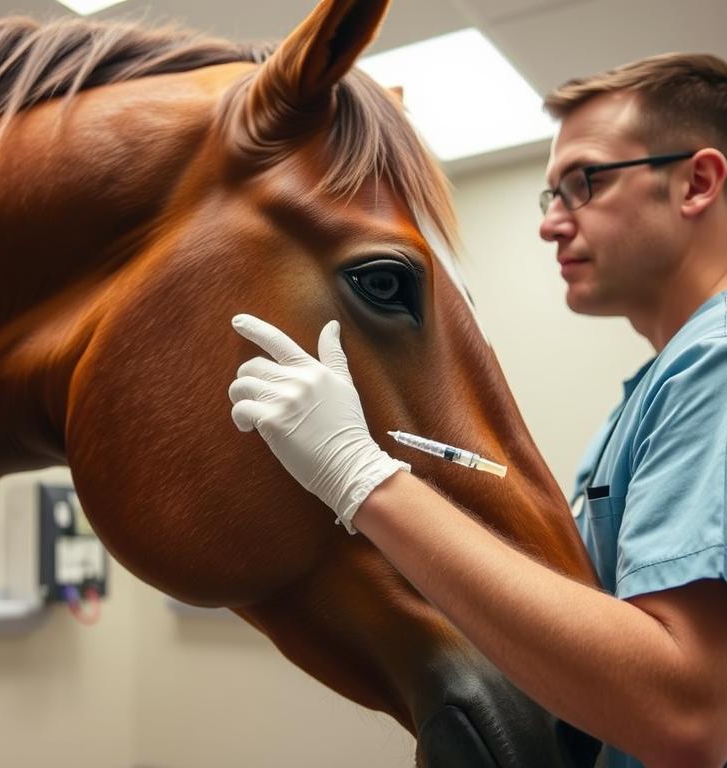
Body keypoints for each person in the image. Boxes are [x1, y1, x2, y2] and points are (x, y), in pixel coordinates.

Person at [228, 53, 727, 768]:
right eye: (550, 194)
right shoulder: (656, 386)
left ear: (697, 183)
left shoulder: (715, 363)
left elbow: (686, 715)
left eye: (584, 183)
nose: (551, 224)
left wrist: (360, 477)